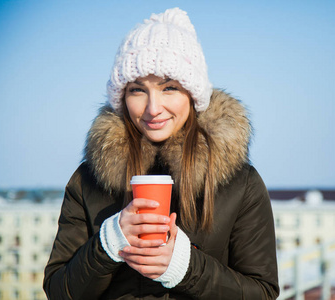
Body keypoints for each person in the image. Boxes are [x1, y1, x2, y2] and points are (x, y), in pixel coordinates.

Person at [44, 7, 279, 300]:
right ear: (122, 97)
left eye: (169, 88)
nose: (153, 108)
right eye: (137, 90)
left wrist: (186, 267)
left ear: (192, 95)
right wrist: (108, 242)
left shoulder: (240, 183)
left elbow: (263, 292)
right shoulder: (89, 180)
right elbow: (59, 290)